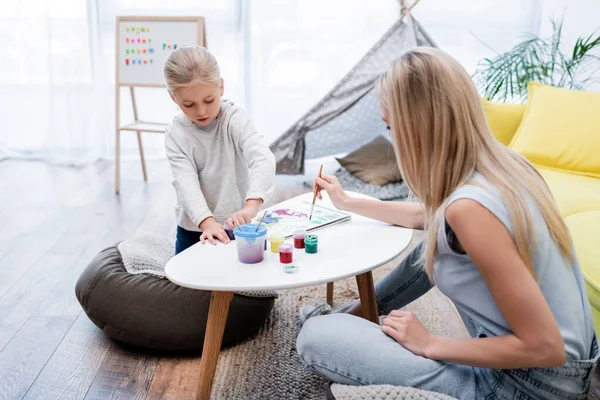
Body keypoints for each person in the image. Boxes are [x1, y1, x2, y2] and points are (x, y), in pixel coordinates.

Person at [296, 47, 597, 399]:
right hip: (569, 366)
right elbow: (431, 216)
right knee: (436, 242)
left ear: (415, 128)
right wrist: (348, 202)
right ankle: (360, 312)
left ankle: (346, 322)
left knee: (315, 337)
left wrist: (430, 344)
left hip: (528, 386)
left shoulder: (469, 211)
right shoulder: (509, 165)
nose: (392, 138)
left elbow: (546, 347)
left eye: (391, 127)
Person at [163, 46, 275, 254]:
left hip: (238, 223)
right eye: (188, 104)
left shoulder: (234, 119)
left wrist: (251, 206)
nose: (201, 111)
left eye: (209, 100)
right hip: (194, 227)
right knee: (188, 283)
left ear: (221, 87)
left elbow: (262, 159)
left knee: (242, 281)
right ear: (173, 97)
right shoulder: (176, 133)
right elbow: (185, 183)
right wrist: (206, 222)